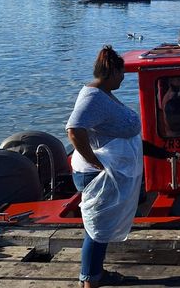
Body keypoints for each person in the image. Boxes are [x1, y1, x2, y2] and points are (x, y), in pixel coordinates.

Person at [66, 45, 142, 288]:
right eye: (121, 74)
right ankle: (90, 280)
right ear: (111, 72)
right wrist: (95, 162)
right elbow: (73, 129)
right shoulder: (92, 96)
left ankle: (95, 273)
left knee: (101, 227)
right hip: (97, 174)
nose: (123, 79)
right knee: (97, 229)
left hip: (107, 172)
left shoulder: (104, 93)